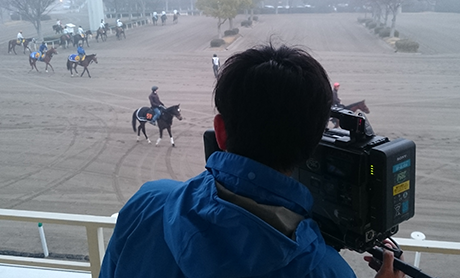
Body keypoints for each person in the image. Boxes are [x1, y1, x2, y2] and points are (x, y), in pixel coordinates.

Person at [99, 44, 404, 278]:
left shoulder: (147, 201)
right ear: (313, 145)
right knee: (154, 113)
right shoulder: (326, 271)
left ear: (220, 132)